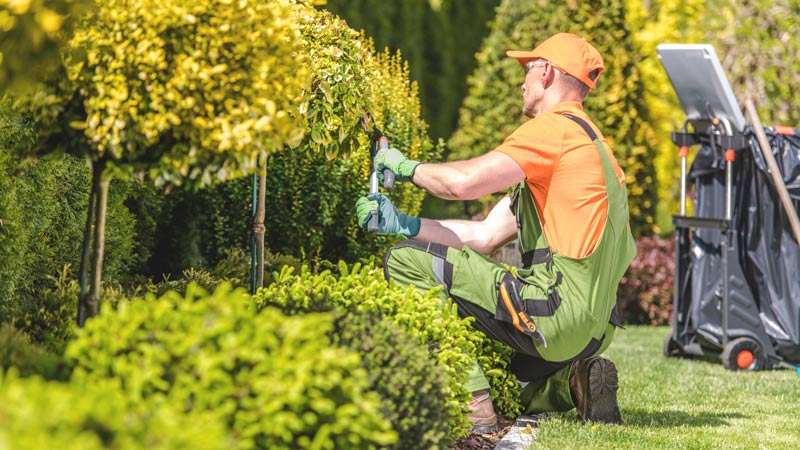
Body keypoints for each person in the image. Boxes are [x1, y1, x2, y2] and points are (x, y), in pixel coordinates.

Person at [355, 32, 636, 432]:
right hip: (593, 330)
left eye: (527, 69)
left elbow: (462, 184)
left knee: (404, 260)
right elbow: (485, 235)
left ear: (548, 73)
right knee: (501, 369)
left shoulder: (554, 130)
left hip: (554, 313)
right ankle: (571, 384)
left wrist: (405, 167)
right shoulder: (595, 149)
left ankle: (472, 405)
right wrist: (404, 224)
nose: (521, 80)